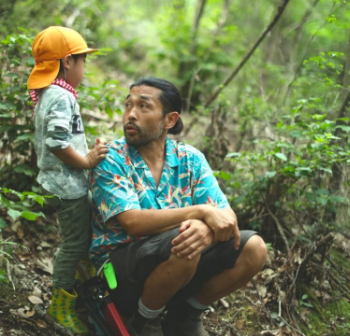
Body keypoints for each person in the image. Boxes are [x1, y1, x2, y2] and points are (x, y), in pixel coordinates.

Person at [89, 77, 267, 336]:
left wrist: (205, 227)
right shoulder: (111, 157)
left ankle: (184, 317)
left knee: (254, 248)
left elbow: (225, 215)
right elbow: (133, 222)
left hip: (176, 267)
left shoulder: (190, 158)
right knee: (186, 240)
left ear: (169, 120)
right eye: (128, 105)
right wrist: (199, 213)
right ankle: (142, 322)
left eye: (143, 106)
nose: (131, 114)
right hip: (118, 276)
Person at [27, 26, 108, 334]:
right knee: (73, 244)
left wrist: (87, 152)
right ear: (67, 62)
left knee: (80, 235)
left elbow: (62, 138)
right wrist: (86, 161)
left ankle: (85, 280)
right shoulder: (62, 97)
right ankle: (61, 305)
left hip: (59, 181)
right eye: (83, 61)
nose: (85, 68)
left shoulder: (51, 93)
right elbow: (57, 143)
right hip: (66, 186)